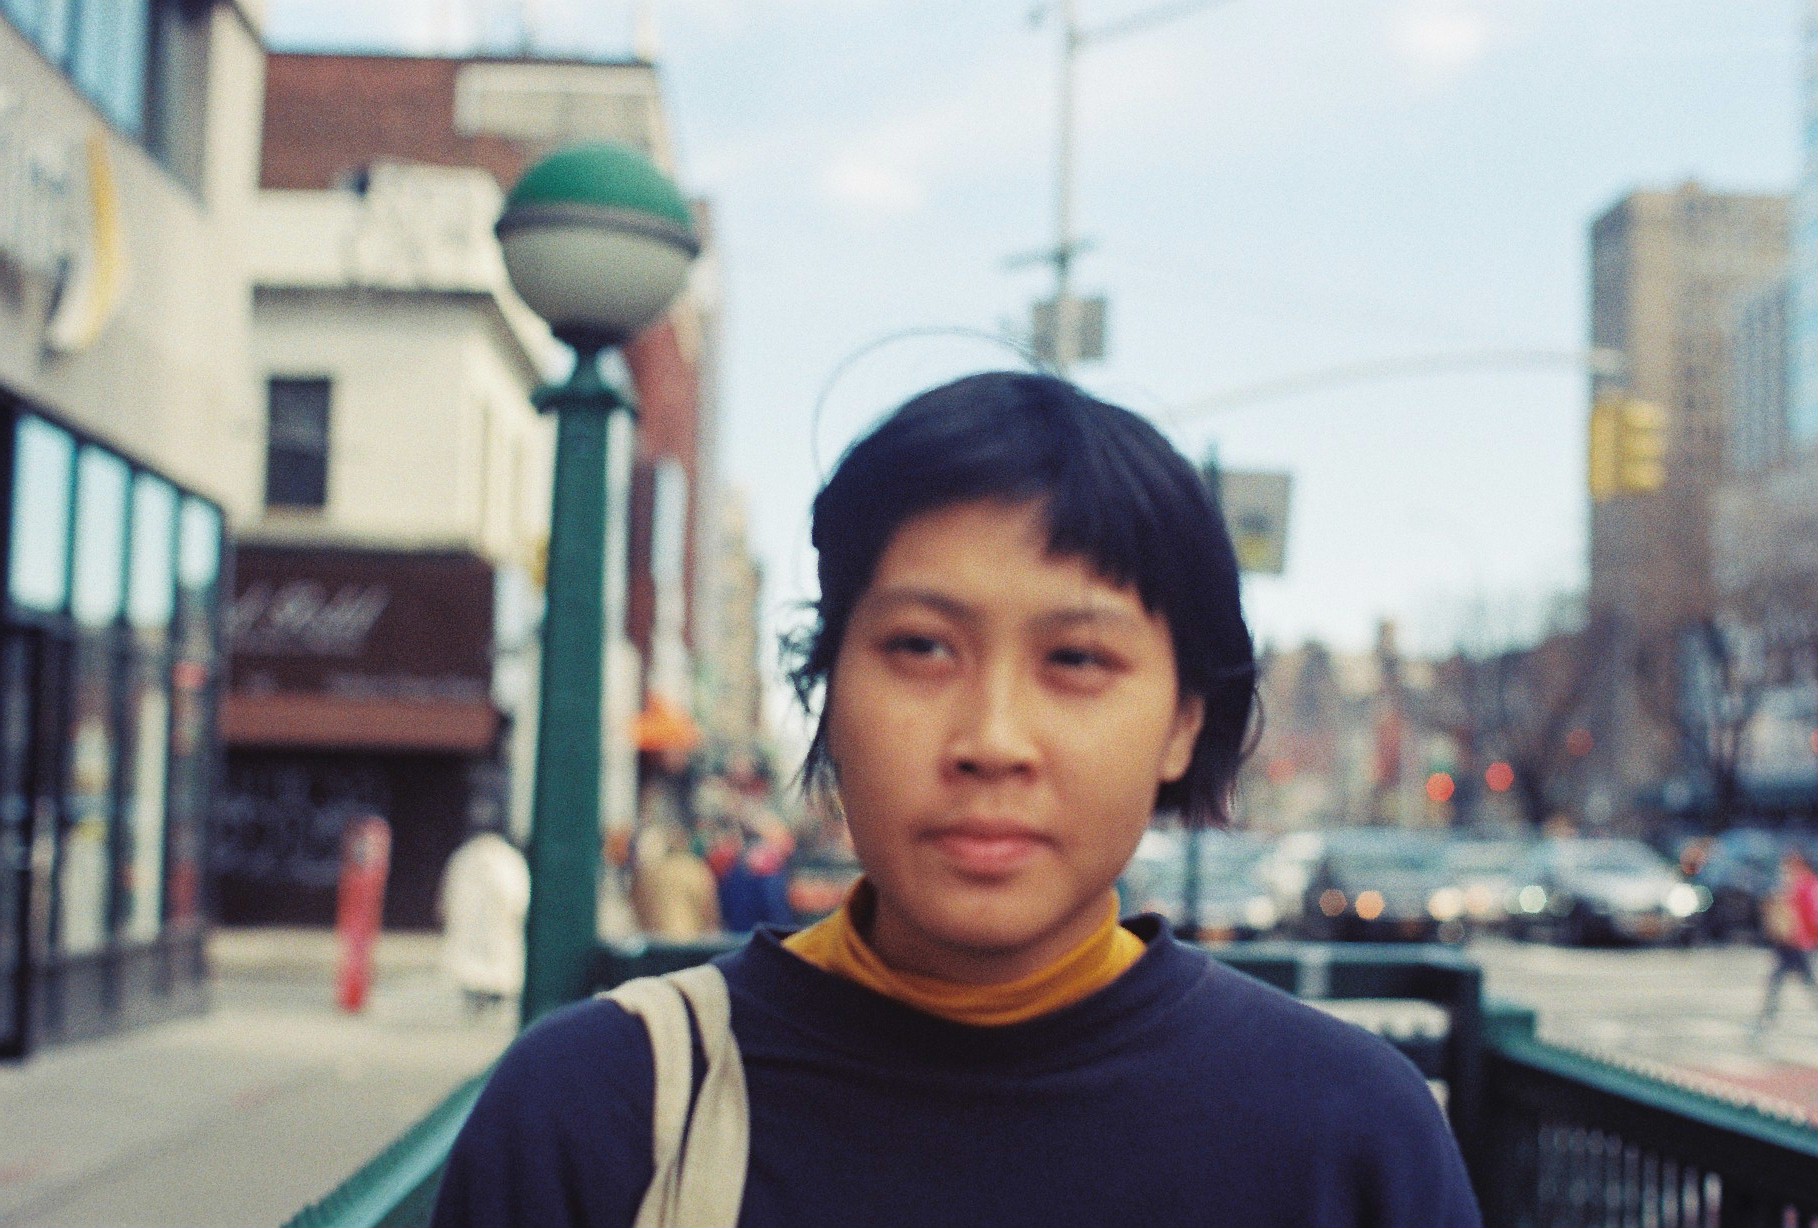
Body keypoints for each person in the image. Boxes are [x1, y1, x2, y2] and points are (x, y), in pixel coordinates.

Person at [431, 372, 1481, 1227]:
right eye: (921, 647)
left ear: (1182, 722)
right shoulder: (597, 1112)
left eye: (1075, 657)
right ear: (828, 688)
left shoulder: (1348, 1139)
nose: (991, 740)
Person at [437, 822, 531, 1015]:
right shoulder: (508, 859)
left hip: (479, 925)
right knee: (494, 962)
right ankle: (489, 994)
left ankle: (479, 995)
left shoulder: (465, 856)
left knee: (476, 963)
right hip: (495, 926)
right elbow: (518, 895)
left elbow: (449, 891)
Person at [1754, 848, 1818, 1036]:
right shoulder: (1794, 883)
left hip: (1797, 942)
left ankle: (1767, 1016)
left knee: (1795, 981)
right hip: (1791, 942)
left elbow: (1810, 913)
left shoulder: (1806, 884)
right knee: (1784, 980)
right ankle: (1768, 1015)